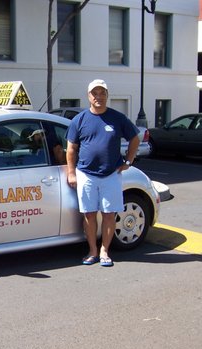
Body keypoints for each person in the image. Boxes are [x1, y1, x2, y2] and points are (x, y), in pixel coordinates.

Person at [66, 79, 140, 267]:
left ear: (107, 95)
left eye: (102, 93)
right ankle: (92, 251)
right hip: (86, 174)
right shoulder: (79, 120)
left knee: (109, 214)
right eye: (94, 93)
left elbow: (135, 139)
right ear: (88, 96)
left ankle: (105, 251)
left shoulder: (118, 118)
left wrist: (128, 162)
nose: (98, 96)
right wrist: (71, 173)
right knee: (89, 215)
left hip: (111, 175)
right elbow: (71, 149)